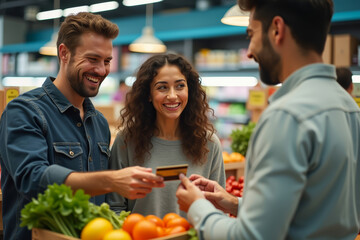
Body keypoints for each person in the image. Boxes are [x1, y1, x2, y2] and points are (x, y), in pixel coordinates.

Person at [176, 0, 360, 239]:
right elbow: (311, 214)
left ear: (277, 29)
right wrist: (235, 203)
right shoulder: (348, 107)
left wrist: (197, 207)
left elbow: (251, 236)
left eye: (251, 35)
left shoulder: (286, 116)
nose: (250, 51)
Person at [0, 12, 164, 240]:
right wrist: (111, 180)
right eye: (92, 59)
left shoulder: (98, 123)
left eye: (107, 61)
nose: (101, 70)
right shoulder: (24, 112)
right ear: (64, 53)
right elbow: (33, 178)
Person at [106, 53, 226, 218]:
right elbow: (115, 207)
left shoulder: (209, 143)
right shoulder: (127, 140)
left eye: (180, 86)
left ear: (189, 90)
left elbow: (217, 208)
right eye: (162, 87)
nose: (172, 95)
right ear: (148, 94)